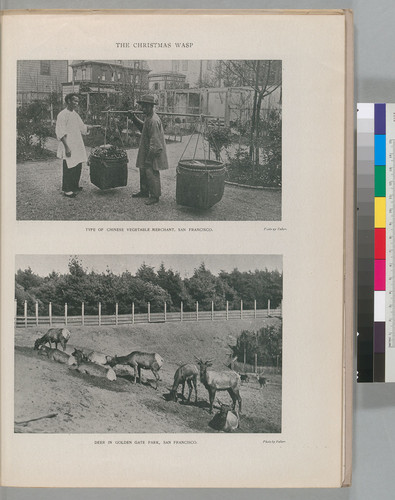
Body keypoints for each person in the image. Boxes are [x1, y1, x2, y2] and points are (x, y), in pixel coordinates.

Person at [55, 93, 98, 198]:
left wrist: (94, 127)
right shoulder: (62, 114)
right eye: (75, 101)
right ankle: (67, 189)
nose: (76, 103)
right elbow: (60, 132)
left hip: (77, 143)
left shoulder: (75, 114)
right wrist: (66, 147)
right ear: (69, 101)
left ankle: (74, 185)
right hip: (68, 144)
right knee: (69, 165)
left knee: (77, 164)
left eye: (77, 101)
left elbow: (82, 127)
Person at [129, 95, 169, 205]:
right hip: (147, 149)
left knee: (151, 172)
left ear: (151, 106)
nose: (143, 109)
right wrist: (133, 118)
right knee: (143, 169)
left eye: (145, 107)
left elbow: (156, 144)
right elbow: (144, 128)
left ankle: (155, 196)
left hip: (154, 151)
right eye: (142, 106)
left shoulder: (154, 121)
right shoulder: (148, 117)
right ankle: (144, 191)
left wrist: (149, 158)